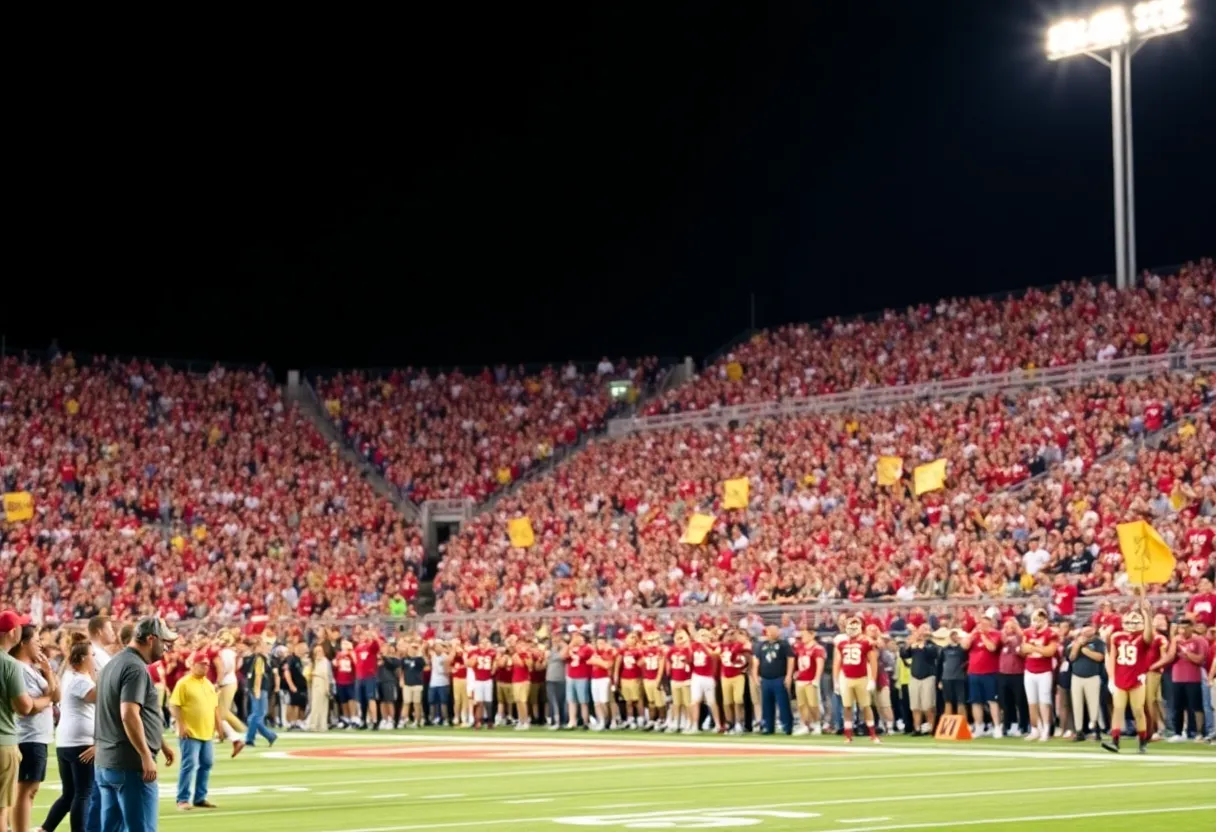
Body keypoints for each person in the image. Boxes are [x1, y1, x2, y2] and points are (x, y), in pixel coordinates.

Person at [95, 616, 177, 832]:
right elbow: (129, 714)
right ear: (151, 639)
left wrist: (160, 743)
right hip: (130, 765)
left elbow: (132, 714)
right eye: (165, 643)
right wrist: (146, 754)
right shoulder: (135, 668)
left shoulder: (113, 663)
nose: (167, 648)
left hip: (107, 762)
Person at [40, 640, 96, 832]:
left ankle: (46, 828)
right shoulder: (79, 680)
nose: (94, 660)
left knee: (70, 793)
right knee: (83, 792)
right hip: (80, 741)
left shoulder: (71, 677)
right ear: (82, 658)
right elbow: (102, 697)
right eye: (92, 656)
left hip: (67, 740)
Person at [11, 624, 58, 832]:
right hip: (27, 736)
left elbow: (57, 696)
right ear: (23, 643)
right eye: (36, 640)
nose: (40, 644)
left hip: (38, 736)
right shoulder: (19, 669)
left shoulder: (33, 669)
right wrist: (47, 699)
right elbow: (28, 707)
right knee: (25, 790)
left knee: (31, 789)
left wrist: (48, 672)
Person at [168, 652, 228, 811]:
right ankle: (182, 799)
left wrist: (219, 727)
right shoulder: (184, 683)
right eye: (202, 664)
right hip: (190, 732)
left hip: (206, 732)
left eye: (207, 664)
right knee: (189, 765)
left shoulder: (208, 684)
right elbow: (174, 705)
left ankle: (200, 797)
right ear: (193, 665)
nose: (205, 666)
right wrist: (181, 725)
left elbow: (214, 707)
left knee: (207, 764)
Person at [0, 611, 37, 832]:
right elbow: (24, 706)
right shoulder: (9, 664)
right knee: (1, 810)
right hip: (3, 741)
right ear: (13, 632)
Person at [751, 625, 793, 737]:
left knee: (783, 703)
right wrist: (755, 676)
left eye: (773, 631)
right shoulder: (761, 645)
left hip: (779, 677)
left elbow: (790, 659)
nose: (770, 633)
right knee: (766, 704)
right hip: (765, 678)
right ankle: (768, 726)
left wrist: (789, 676)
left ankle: (786, 726)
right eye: (769, 631)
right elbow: (756, 661)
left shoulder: (784, 644)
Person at [1069, 624, 1106, 741]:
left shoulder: (1098, 643)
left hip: (1092, 676)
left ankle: (1096, 730)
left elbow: (1100, 657)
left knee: (1094, 705)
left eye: (1088, 630)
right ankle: (1079, 730)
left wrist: (1085, 650)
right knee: (1077, 704)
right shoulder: (1076, 642)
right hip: (1076, 676)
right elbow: (1071, 657)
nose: (1085, 633)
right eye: (1084, 631)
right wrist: (1077, 645)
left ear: (1093, 630)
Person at [900, 623, 938, 735]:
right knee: (915, 706)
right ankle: (917, 728)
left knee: (928, 706)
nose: (922, 632)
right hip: (914, 677)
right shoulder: (914, 644)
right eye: (921, 629)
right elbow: (904, 654)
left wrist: (923, 644)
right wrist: (909, 643)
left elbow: (933, 654)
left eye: (925, 629)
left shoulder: (931, 644)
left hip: (928, 676)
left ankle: (931, 727)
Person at [241, 636, 278, 747]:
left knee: (255, 716)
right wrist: (257, 690)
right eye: (263, 645)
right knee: (257, 715)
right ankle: (253, 738)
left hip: (255, 688)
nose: (266, 647)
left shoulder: (254, 658)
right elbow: (258, 675)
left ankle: (268, 736)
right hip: (260, 688)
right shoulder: (260, 658)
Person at [307, 644, 332, 732]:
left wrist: (327, 688)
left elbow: (327, 675)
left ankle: (322, 725)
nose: (318, 653)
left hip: (323, 684)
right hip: (315, 684)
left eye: (320, 651)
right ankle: (314, 724)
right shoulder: (314, 662)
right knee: (315, 705)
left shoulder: (325, 661)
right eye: (316, 651)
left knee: (323, 705)